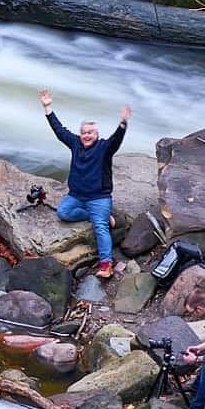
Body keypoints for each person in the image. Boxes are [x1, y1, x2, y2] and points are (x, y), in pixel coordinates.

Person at [38, 89, 131, 278]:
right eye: (83, 133)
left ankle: (106, 265)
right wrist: (48, 108)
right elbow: (59, 130)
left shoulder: (104, 147)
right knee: (63, 212)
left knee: (100, 228)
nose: (86, 136)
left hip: (99, 197)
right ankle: (100, 216)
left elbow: (116, 140)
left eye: (90, 133)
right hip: (77, 196)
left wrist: (122, 124)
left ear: (96, 134)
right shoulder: (75, 143)